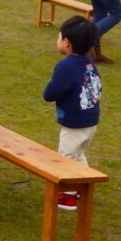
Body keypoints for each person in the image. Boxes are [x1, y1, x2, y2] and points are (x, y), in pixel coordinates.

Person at [42, 16, 102, 210]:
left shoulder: (65, 66)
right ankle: (83, 183)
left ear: (66, 42)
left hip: (75, 122)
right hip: (90, 120)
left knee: (65, 157)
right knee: (78, 153)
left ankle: (67, 197)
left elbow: (51, 93)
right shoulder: (90, 63)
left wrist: (49, 91)